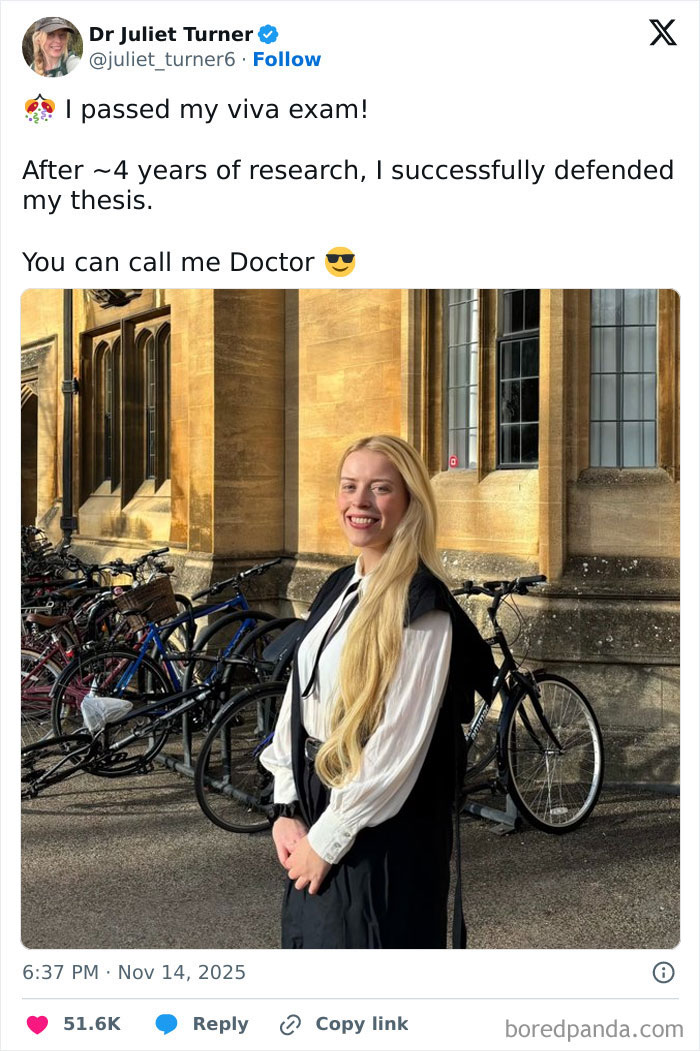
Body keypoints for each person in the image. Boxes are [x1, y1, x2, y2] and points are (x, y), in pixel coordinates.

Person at [260, 435, 497, 949]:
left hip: (378, 830)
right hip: (316, 811)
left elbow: (397, 747)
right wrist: (286, 808)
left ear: (409, 501)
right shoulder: (339, 585)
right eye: (350, 486)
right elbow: (298, 697)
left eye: (380, 488)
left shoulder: (423, 607)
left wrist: (328, 839)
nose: (359, 502)